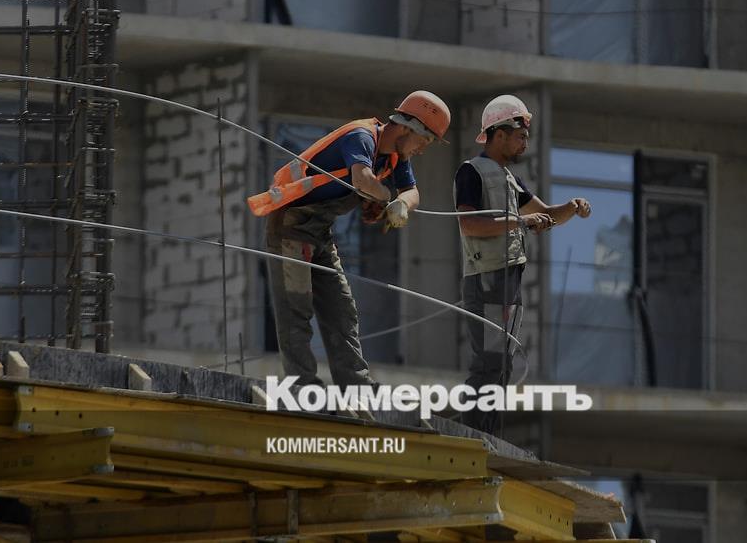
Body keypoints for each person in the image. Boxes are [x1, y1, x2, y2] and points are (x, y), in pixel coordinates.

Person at [248, 91, 451, 402]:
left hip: (319, 232)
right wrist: (385, 198)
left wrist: (402, 205)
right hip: (290, 227)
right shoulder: (361, 136)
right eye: (424, 140)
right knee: (296, 311)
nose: (422, 149)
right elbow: (362, 180)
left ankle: (356, 388)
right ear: (408, 127)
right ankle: (302, 386)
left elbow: (412, 192)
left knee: (341, 310)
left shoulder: (396, 156)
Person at [454, 94, 592, 434]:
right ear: (499, 134)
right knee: (490, 362)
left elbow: (545, 215)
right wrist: (520, 222)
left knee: (502, 364)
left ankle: (487, 434)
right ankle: (474, 433)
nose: (525, 143)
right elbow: (469, 225)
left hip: (507, 282)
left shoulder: (509, 180)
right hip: (486, 280)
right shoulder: (472, 172)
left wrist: (572, 207)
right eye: (520, 136)